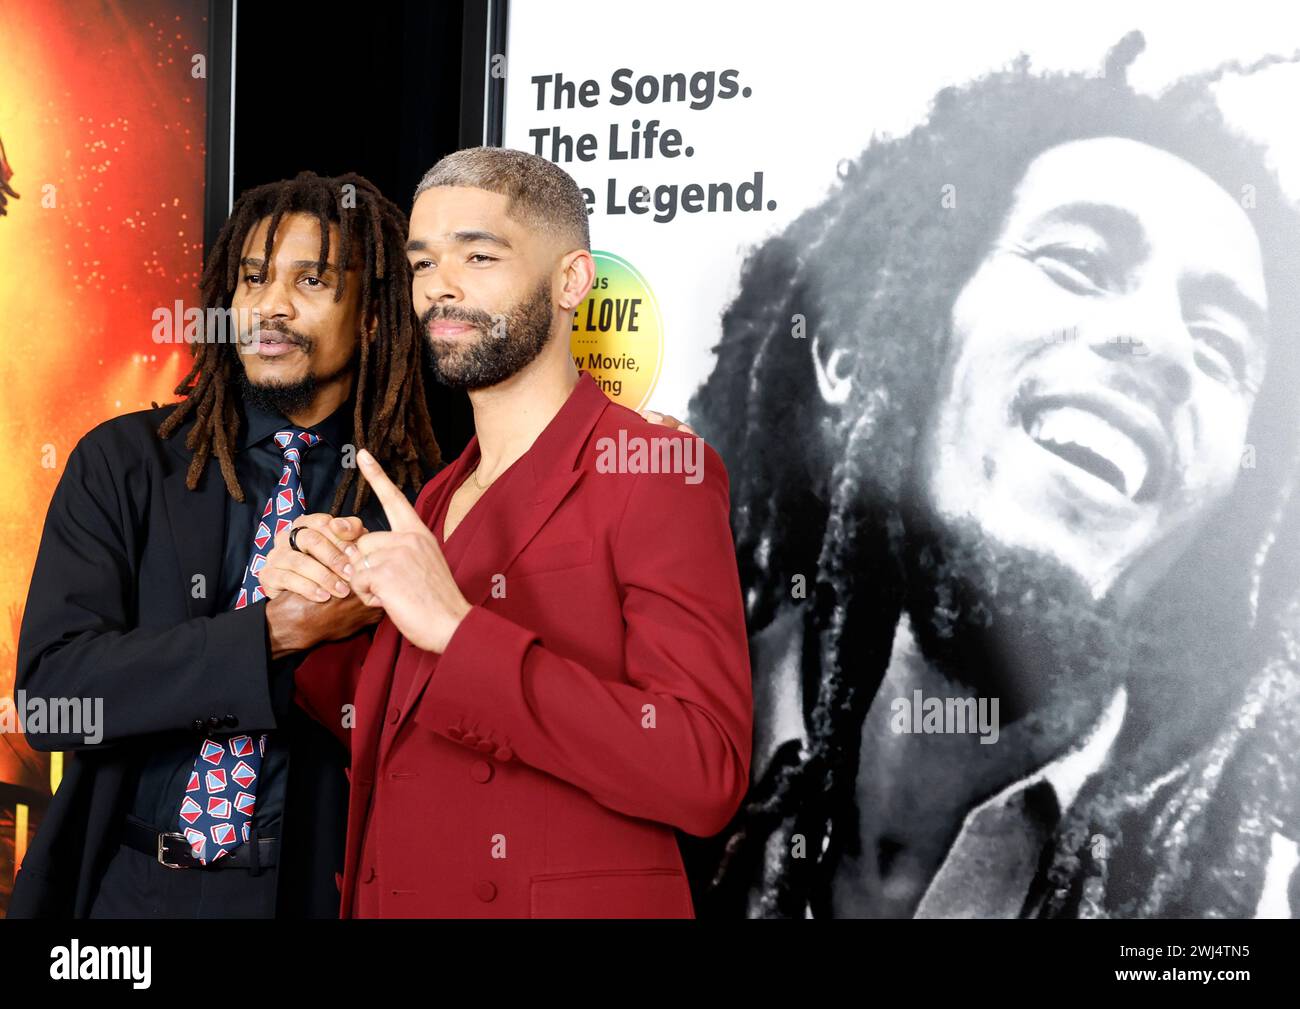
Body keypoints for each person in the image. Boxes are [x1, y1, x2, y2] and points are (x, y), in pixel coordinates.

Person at [690, 34, 1300, 918]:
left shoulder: (1242, 910)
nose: (1165, 348)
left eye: (1218, 346)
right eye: (1078, 263)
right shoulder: (622, 745)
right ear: (855, 350)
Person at [264, 147, 753, 917]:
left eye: (479, 256)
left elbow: (704, 770)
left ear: (572, 281)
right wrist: (309, 615)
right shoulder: (432, 497)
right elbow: (403, 733)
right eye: (423, 265)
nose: (441, 288)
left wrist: (460, 633)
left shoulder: (655, 468)